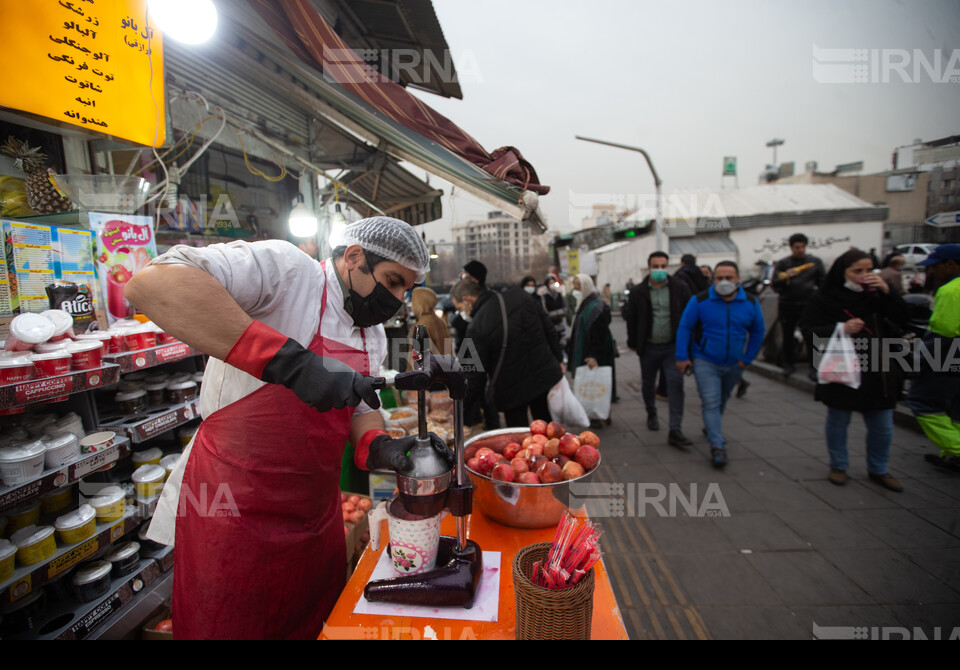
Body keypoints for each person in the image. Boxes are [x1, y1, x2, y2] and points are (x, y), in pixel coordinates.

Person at [126, 217, 453, 639]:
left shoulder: (372, 335)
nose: (396, 298)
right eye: (391, 281)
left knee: (316, 623)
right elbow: (151, 284)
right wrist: (291, 363)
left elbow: (359, 410)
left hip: (315, 513)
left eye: (404, 289)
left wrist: (380, 446)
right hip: (232, 506)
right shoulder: (286, 273)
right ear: (353, 256)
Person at [801, 249, 910, 492]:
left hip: (878, 367)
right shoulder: (824, 298)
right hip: (841, 367)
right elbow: (808, 329)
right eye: (857, 271)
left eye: (869, 270)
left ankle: (879, 468)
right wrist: (840, 328)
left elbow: (903, 318)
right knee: (839, 419)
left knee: (882, 423)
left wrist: (887, 291)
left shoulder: (877, 296)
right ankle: (838, 464)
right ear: (843, 272)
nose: (864, 275)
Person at [676, 261, 766, 469]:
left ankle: (711, 426)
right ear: (713, 280)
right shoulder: (700, 300)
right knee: (710, 401)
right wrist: (682, 356)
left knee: (723, 398)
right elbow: (685, 328)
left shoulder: (750, 303)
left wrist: (748, 357)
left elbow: (758, 331)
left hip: (735, 363)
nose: (724, 282)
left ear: (738, 279)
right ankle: (717, 445)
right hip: (705, 360)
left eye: (729, 278)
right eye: (719, 278)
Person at [456, 279, 563, 428]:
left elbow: (471, 375)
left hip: (511, 390)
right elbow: (549, 329)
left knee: (518, 439)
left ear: (467, 300)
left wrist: (462, 403)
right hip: (542, 375)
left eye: (459, 307)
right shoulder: (521, 296)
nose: (461, 312)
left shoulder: (475, 327)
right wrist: (559, 359)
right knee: (547, 429)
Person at [626, 252, 693, 447]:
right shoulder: (639, 291)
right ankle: (651, 413)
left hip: (672, 346)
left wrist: (687, 345)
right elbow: (632, 318)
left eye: (663, 266)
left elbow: (689, 315)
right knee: (648, 383)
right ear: (649, 267)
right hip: (648, 346)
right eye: (656, 266)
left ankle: (675, 428)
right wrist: (633, 341)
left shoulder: (679, 287)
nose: (660, 270)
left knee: (675, 384)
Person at [906, 244, 960, 472]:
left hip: (949, 349)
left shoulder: (950, 291)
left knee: (921, 400)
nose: (932, 271)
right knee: (957, 405)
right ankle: (952, 455)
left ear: (951, 264)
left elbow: (943, 331)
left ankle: (956, 448)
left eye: (935, 266)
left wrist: (919, 359)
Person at [567, 274, 618, 427]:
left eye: (577, 287)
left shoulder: (595, 306)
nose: (575, 290)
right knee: (596, 383)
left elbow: (600, 333)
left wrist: (593, 355)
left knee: (597, 383)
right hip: (590, 349)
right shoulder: (586, 303)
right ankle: (602, 413)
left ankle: (598, 414)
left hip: (595, 351)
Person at [772, 233, 826, 377]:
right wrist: (785, 277)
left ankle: (814, 367)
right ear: (791, 248)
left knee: (811, 335)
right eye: (797, 247)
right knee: (788, 335)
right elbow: (775, 284)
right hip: (788, 304)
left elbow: (822, 283)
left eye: (802, 247)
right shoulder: (783, 264)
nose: (800, 250)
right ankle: (788, 364)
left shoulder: (814, 262)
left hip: (808, 304)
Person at [408, 287, 454, 369]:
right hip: (444, 371)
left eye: (413, 301)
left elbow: (417, 361)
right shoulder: (440, 321)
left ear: (419, 303)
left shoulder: (419, 327)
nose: (411, 304)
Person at [541, 277, 568, 349]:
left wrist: (561, 313)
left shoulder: (559, 295)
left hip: (561, 324)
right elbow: (545, 311)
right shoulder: (544, 297)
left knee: (564, 344)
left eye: (554, 283)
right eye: (550, 283)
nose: (552, 284)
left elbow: (565, 307)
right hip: (552, 325)